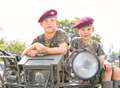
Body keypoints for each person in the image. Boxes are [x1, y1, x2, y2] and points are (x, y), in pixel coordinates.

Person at [70, 17, 113, 88]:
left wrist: (105, 62)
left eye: (88, 29)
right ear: (78, 31)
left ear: (93, 30)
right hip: (78, 69)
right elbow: (71, 55)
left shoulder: (96, 44)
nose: (85, 32)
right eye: (82, 29)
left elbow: (101, 57)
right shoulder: (75, 41)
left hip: (93, 69)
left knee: (109, 69)